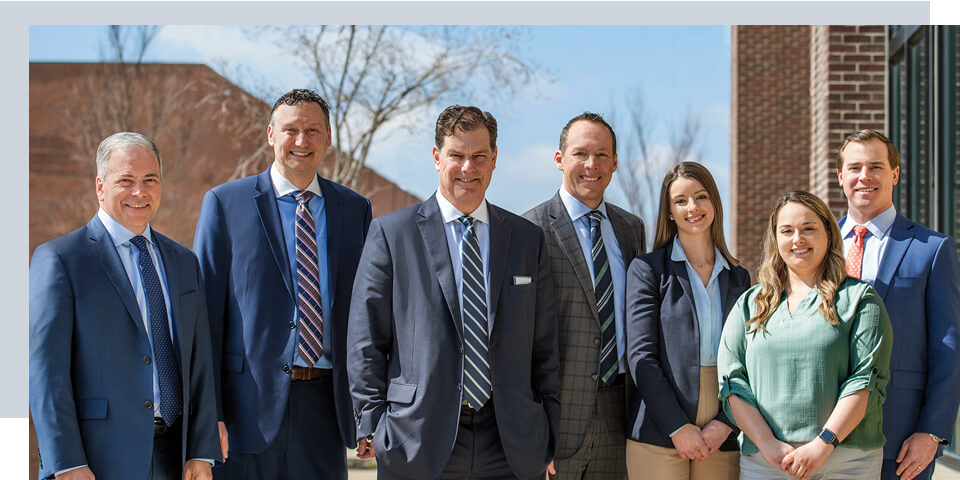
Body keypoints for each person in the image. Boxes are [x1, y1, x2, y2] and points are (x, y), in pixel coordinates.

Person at [347, 105, 560, 480]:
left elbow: (545, 348)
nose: (468, 168)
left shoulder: (528, 240)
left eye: (479, 156)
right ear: (436, 157)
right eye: (457, 156)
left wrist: (547, 433)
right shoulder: (391, 235)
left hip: (510, 443)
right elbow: (366, 340)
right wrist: (375, 424)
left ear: (495, 159)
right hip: (417, 440)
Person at [193, 89, 372, 479]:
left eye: (312, 130)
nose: (301, 141)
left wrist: (367, 408)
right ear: (271, 135)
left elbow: (364, 317)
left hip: (325, 409)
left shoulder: (355, 209)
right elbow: (203, 319)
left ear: (328, 136)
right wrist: (210, 416)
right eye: (291, 130)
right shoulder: (225, 203)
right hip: (245, 412)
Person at [30, 132, 219, 480]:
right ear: (100, 187)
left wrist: (202, 450)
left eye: (150, 180)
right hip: (97, 460)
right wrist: (67, 462)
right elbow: (46, 372)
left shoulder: (183, 261)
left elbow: (200, 362)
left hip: (174, 457)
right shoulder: (60, 259)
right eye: (126, 181)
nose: (140, 192)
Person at [717, 190, 892, 480]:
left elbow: (865, 381)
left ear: (828, 234)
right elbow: (732, 382)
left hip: (845, 462)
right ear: (776, 239)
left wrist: (822, 445)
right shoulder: (750, 304)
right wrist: (767, 444)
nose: (797, 239)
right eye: (787, 231)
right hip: (766, 463)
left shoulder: (860, 299)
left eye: (808, 229)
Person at [523, 112, 645, 479]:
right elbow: (516, 341)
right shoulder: (529, 230)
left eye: (602, 155)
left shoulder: (631, 229)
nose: (592, 165)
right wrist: (532, 434)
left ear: (615, 163)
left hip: (620, 414)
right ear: (560, 159)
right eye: (580, 154)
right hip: (556, 418)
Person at [835, 130, 960, 480]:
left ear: (894, 174)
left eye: (876, 166)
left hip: (901, 440)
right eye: (855, 167)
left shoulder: (931, 249)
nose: (865, 176)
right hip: (823, 436)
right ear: (840, 176)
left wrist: (932, 432)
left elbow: (948, 346)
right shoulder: (819, 247)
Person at [624, 162, 749, 480]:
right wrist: (677, 426)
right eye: (680, 200)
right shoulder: (648, 270)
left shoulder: (739, 277)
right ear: (669, 212)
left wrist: (726, 422)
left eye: (701, 196)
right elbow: (641, 356)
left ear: (714, 204)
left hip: (724, 433)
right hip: (659, 427)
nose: (692, 207)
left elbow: (749, 359)